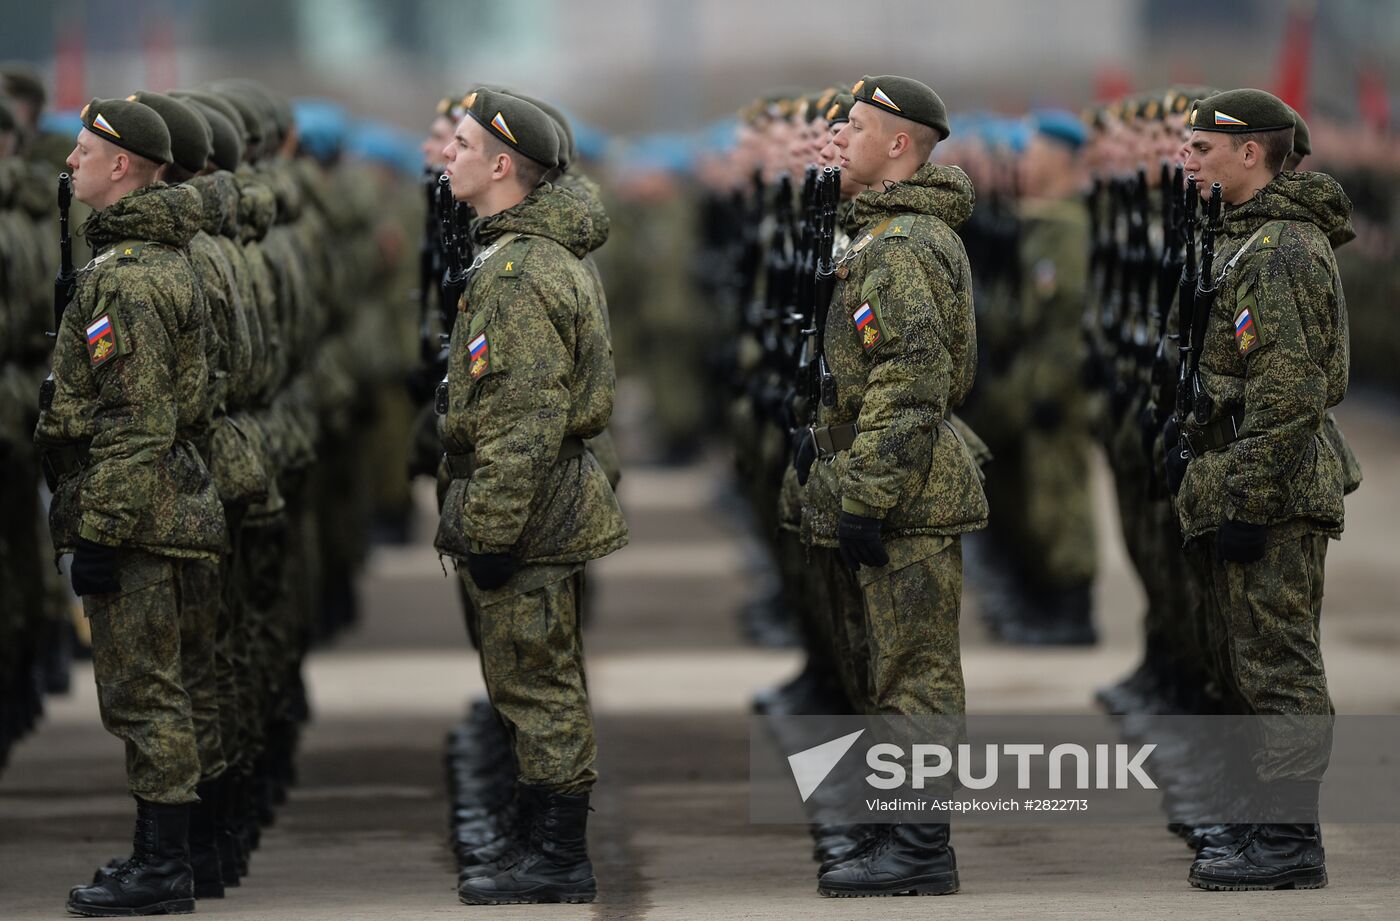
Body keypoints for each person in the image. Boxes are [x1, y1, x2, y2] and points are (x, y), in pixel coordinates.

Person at [435, 88, 627, 906]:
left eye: (464, 145)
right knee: (534, 678)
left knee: (537, 685)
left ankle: (556, 856)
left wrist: (488, 527)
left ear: (503, 165)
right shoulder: (525, 257)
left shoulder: (518, 274)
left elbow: (521, 423)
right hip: (546, 506)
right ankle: (540, 841)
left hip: (532, 513)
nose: (448, 154)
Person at [798, 75, 987, 897]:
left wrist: (865, 494)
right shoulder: (875, 236)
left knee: (914, 673)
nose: (840, 136)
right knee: (882, 668)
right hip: (877, 478)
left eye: (858, 126)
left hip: (902, 489)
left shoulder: (906, 244)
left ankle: (919, 846)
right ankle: (894, 825)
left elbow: (911, 382)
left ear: (900, 144)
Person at [37, 97, 224, 916]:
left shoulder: (132, 279)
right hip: (155, 507)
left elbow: (136, 421)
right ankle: (161, 855)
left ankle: (165, 866)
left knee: (145, 691)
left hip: (140, 515)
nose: (69, 164)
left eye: (83, 152)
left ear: (123, 167)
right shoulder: (137, 262)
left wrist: (101, 530)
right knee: (151, 688)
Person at [1174, 87, 1357, 891]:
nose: (1190, 159)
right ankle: (1262, 816)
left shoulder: (1280, 249)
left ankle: (1287, 838)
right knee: (1247, 660)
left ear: (1252, 152)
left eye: (1203, 148)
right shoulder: (1246, 241)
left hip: (1273, 489)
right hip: (1248, 480)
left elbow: (1286, 391)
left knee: (1279, 662)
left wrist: (1245, 498)